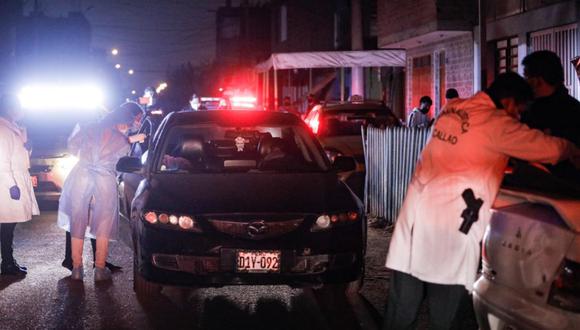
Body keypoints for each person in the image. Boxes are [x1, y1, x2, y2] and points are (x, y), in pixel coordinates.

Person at [383, 72, 580, 330]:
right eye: (518, 111)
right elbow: (550, 149)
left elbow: (466, 150)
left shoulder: (451, 109)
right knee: (444, 313)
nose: (518, 118)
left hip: (415, 218)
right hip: (450, 229)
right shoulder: (497, 123)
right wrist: (574, 148)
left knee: (401, 308)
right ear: (509, 102)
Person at [58, 102, 146, 281]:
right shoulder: (121, 139)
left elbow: (73, 146)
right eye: (135, 120)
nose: (135, 124)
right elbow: (122, 161)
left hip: (81, 175)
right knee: (104, 220)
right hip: (105, 178)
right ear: (128, 118)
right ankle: (99, 268)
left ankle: (76, 268)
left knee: (78, 218)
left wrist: (88, 157)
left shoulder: (89, 127)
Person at [521, 50, 580, 184]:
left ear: (537, 80)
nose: (525, 82)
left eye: (526, 77)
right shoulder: (574, 107)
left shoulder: (570, 111)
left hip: (563, 187)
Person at [0, 94, 39, 276]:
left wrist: (27, 147)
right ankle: (7, 263)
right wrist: (11, 185)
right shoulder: (2, 129)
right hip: (6, 183)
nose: (21, 110)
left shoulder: (14, 128)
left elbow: (19, 155)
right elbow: (2, 160)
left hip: (14, 179)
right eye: (18, 106)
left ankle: (8, 261)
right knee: (7, 224)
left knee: (8, 225)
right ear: (9, 108)